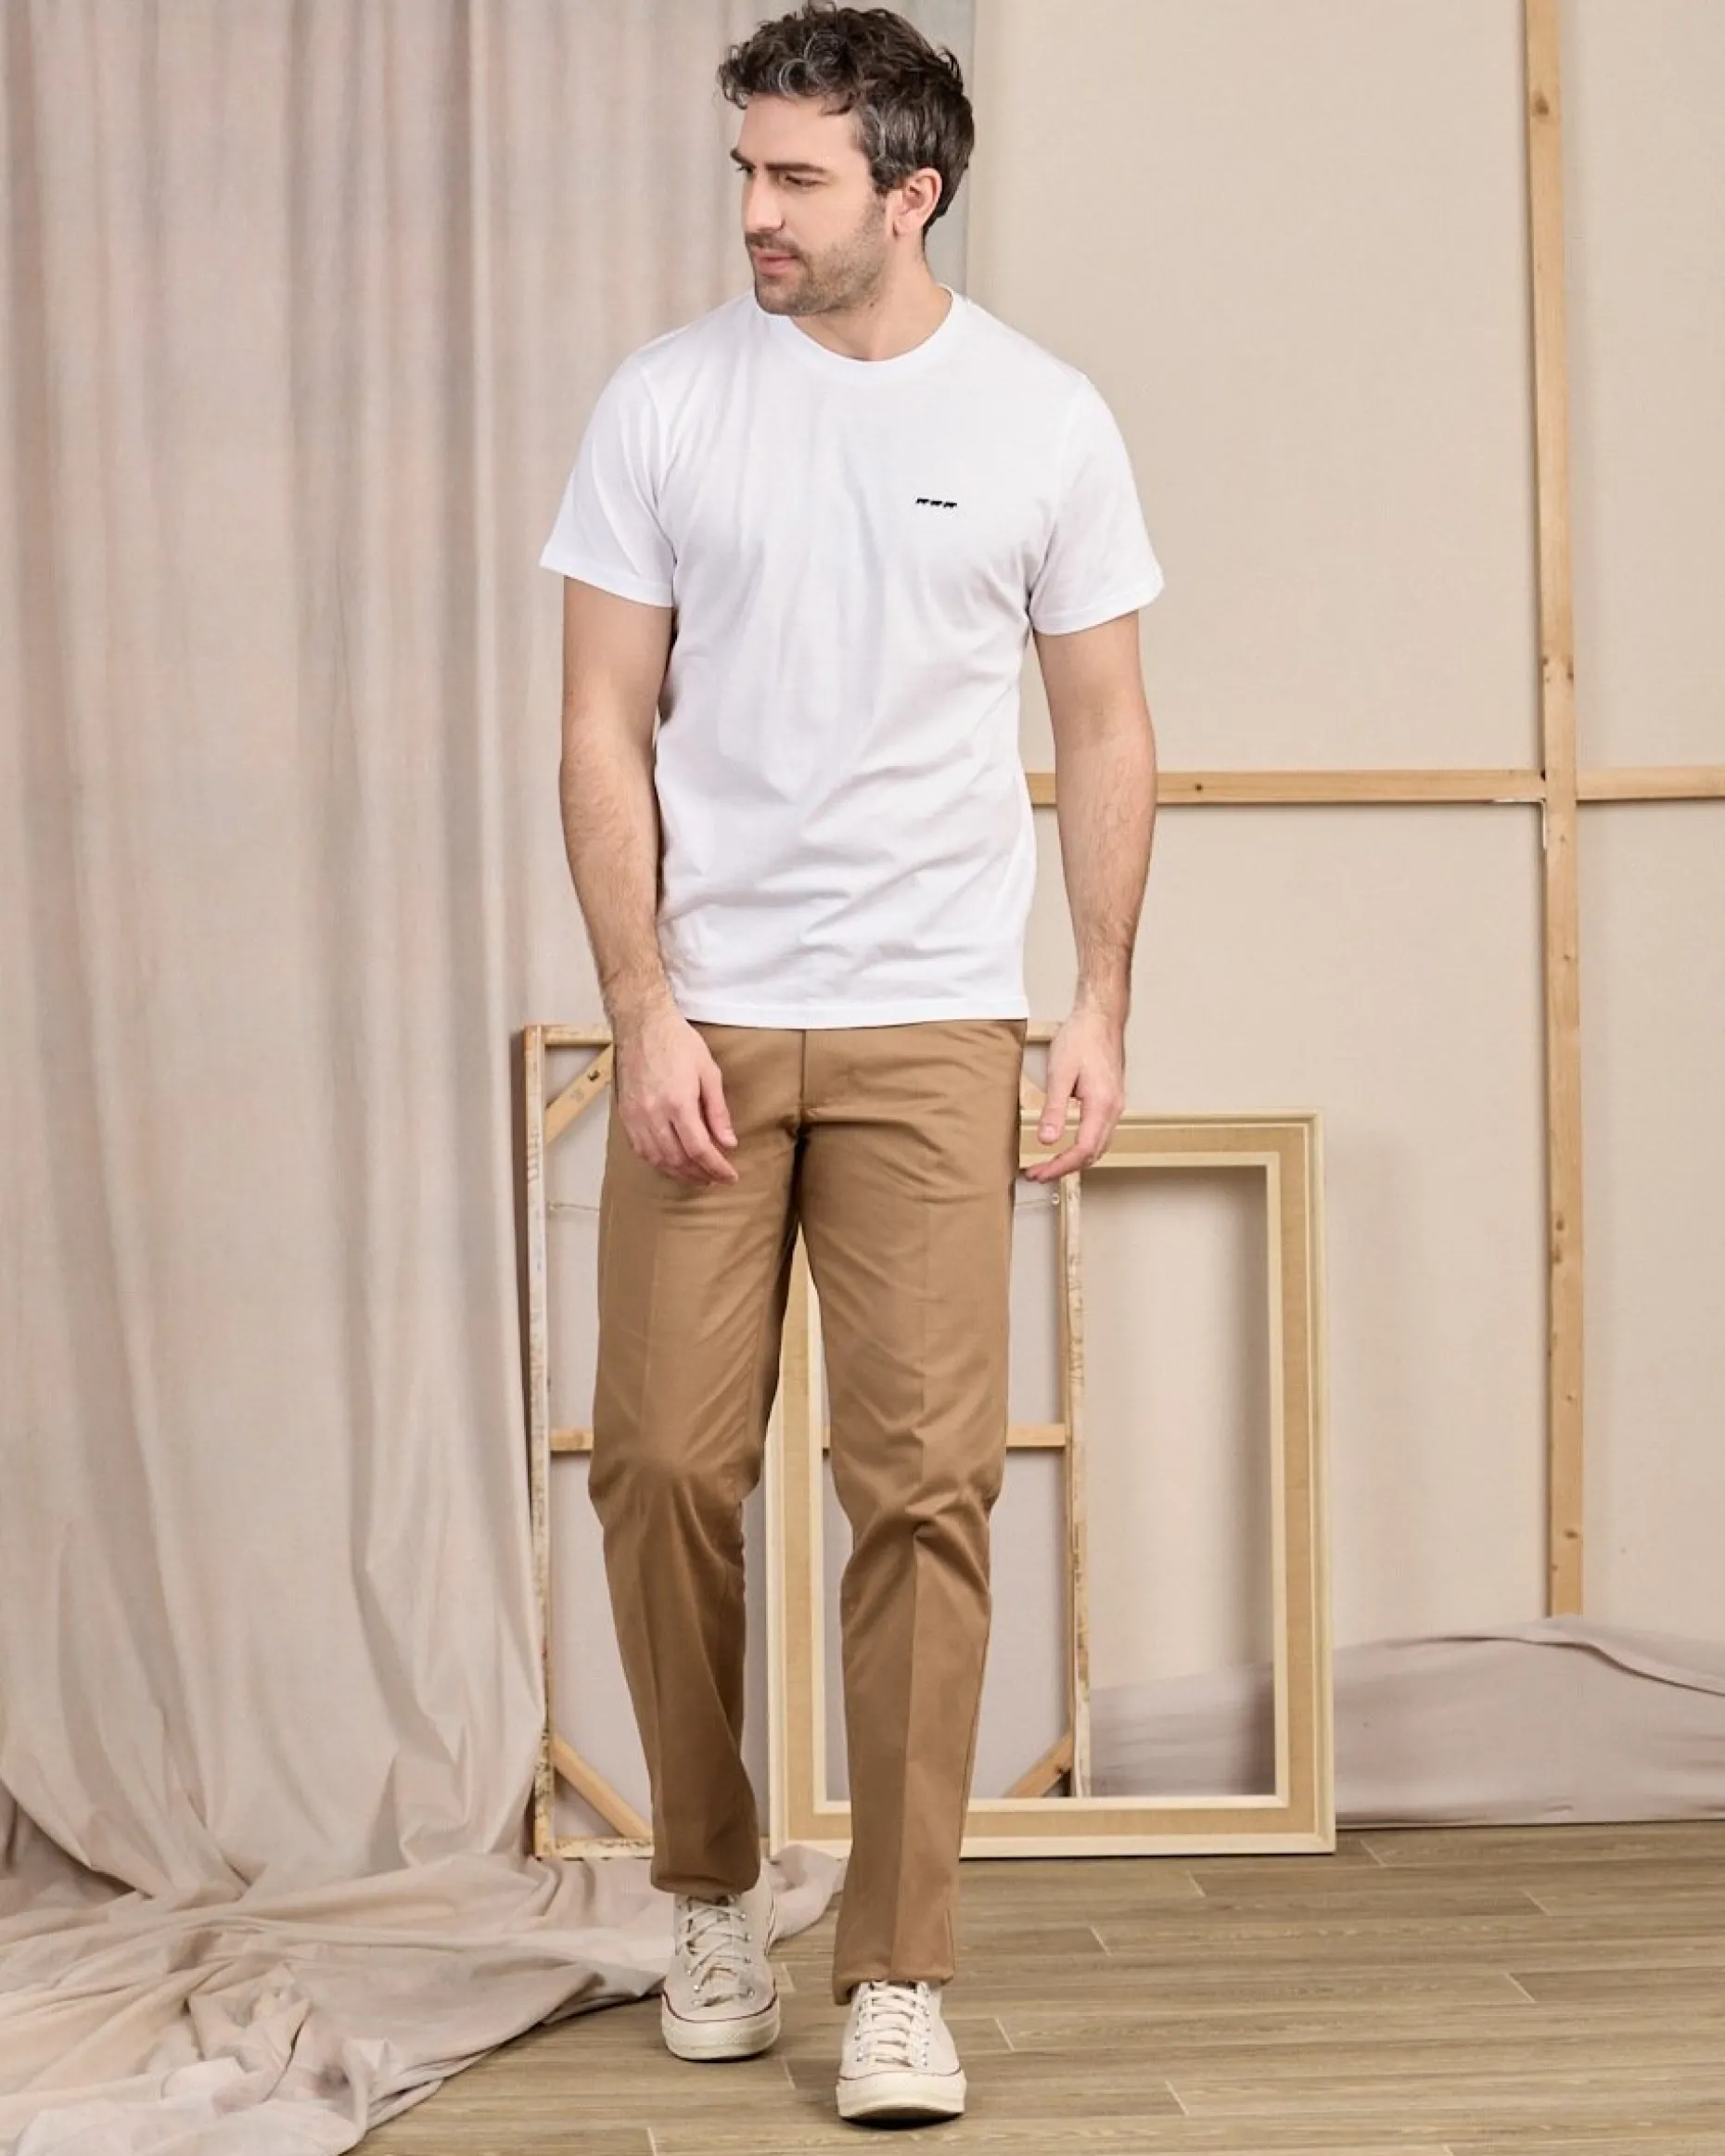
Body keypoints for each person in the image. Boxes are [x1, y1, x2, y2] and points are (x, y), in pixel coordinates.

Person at [541, 1, 1162, 2126]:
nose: (755, 211)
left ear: (914, 191)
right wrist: (640, 1001)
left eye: (795, 177)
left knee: (925, 1490)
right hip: (707, 1017)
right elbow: (600, 721)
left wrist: (1096, 997)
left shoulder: (1047, 420)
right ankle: (712, 1889)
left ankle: (899, 1968)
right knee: (661, 1467)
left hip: (932, 1017)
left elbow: (1104, 723)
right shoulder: (663, 404)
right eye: (746, 170)